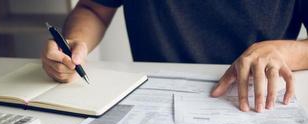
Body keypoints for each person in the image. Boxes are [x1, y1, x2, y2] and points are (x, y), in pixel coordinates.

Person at [41, 0, 308, 113]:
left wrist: (283, 51)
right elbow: (94, 8)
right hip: (152, 101)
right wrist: (76, 42)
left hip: (255, 103)